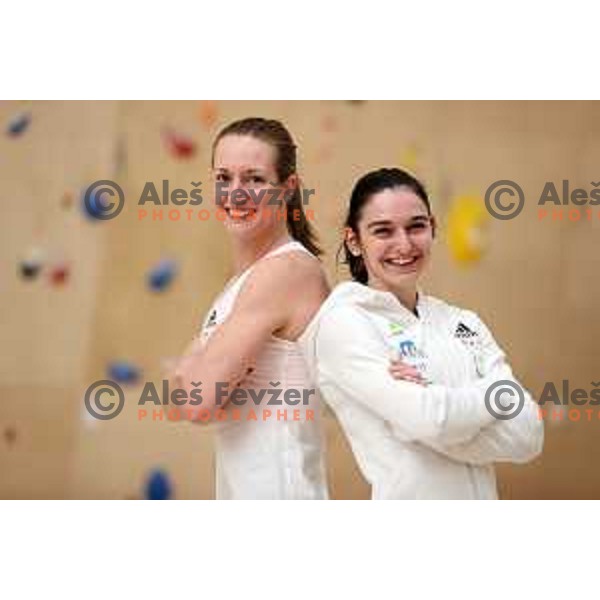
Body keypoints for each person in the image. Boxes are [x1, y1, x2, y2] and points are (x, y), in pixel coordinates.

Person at [300, 168, 543, 499]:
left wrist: (431, 402)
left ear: (433, 228)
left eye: (416, 226)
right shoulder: (344, 323)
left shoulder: (463, 321)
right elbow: (434, 421)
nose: (404, 244)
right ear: (354, 241)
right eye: (383, 231)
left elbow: (529, 434)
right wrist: (495, 394)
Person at [171, 117, 329, 500]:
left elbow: (194, 401)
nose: (236, 194)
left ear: (288, 190)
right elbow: (182, 400)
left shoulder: (286, 272)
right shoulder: (244, 282)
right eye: (224, 178)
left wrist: (194, 370)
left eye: (255, 180)